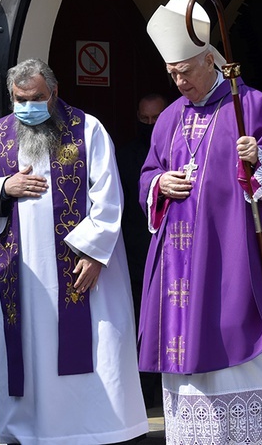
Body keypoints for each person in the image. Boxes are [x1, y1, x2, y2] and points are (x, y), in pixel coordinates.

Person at [139, 0, 262, 444]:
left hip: (237, 260)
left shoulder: (249, 105)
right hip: (180, 268)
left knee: (242, 342)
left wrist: (260, 160)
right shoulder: (167, 119)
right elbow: (147, 175)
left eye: (184, 72)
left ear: (209, 60)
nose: (178, 82)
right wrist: (161, 185)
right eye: (171, 73)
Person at [0, 59, 149, 444]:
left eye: (36, 98)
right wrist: (4, 186)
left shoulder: (87, 129)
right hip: (25, 273)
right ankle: (32, 431)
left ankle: (102, 429)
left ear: (55, 92)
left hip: (84, 268)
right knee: (32, 350)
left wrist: (95, 254)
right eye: (20, 99)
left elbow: (109, 195)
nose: (27, 106)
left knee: (97, 347)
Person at [117, 93, 167, 408]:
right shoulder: (124, 156)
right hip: (135, 257)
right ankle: (143, 392)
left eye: (156, 120)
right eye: (144, 120)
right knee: (138, 325)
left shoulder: (179, 151)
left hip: (173, 254)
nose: (150, 126)